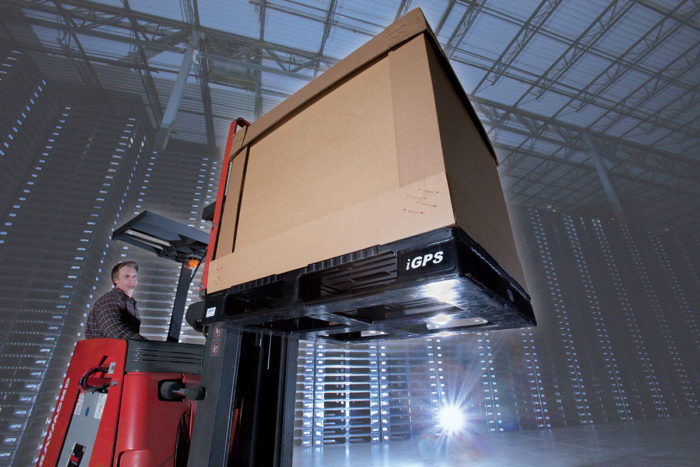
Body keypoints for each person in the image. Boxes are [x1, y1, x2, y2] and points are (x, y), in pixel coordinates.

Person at [85, 260, 147, 340]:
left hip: (119, 350)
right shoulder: (110, 299)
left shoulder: (130, 302)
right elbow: (114, 332)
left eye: (134, 276)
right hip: (104, 351)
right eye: (127, 276)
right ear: (115, 280)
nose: (132, 279)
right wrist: (146, 343)